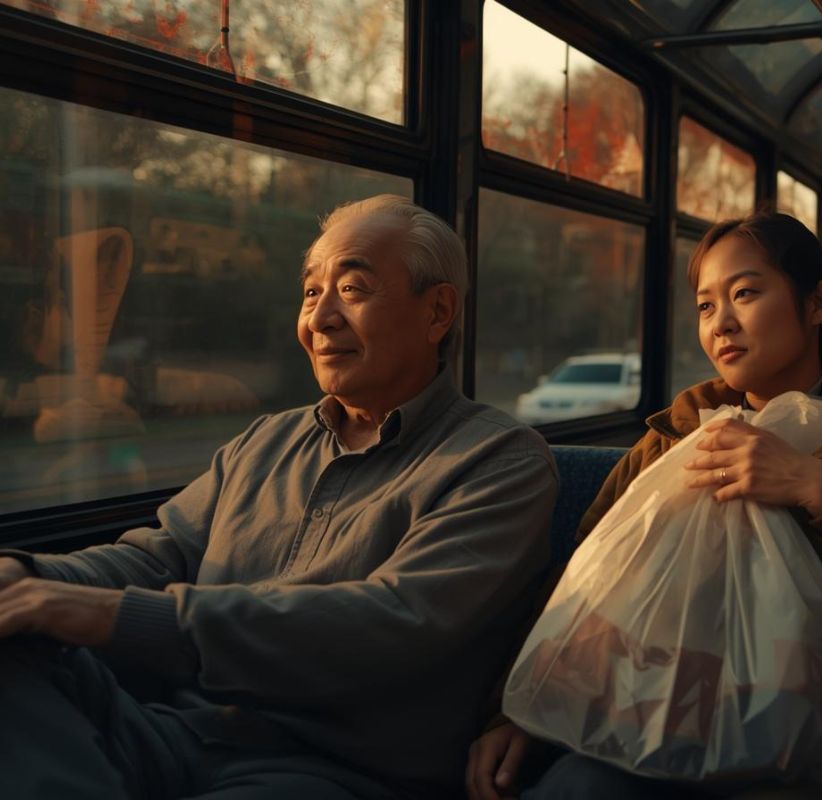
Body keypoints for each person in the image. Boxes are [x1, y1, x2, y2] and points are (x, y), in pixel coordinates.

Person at [0, 195, 559, 800]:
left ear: (437, 312)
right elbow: (159, 557)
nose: (319, 320)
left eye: (352, 288)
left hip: (328, 770)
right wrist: (27, 576)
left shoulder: (502, 462)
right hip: (171, 733)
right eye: (312, 292)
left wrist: (110, 616)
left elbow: (390, 625)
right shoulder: (266, 440)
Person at [466, 212, 822, 800]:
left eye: (744, 294)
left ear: (817, 303)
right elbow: (580, 588)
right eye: (704, 306)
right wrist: (513, 716)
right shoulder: (670, 441)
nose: (721, 323)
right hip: (665, 709)